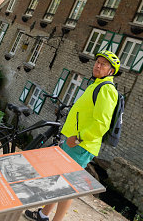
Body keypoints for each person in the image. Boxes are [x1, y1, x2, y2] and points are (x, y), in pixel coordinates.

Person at [24, 50, 120, 221]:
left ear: (111, 71)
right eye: (97, 62)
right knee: (59, 180)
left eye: (103, 64)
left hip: (81, 145)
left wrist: (77, 138)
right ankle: (43, 214)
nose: (98, 65)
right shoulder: (97, 85)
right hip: (74, 142)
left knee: (67, 186)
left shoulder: (107, 89)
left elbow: (101, 124)